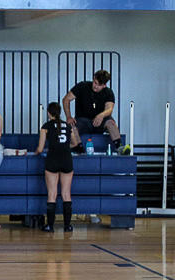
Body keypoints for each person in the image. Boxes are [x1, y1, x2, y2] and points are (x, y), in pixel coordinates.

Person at [63, 69, 126, 154]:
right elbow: (66, 99)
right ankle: (79, 149)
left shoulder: (108, 92)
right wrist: (69, 117)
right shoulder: (82, 86)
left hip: (100, 122)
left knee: (110, 122)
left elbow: (109, 109)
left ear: (104, 85)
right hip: (82, 121)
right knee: (71, 126)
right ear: (93, 78)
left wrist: (101, 115)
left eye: (99, 85)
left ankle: (119, 147)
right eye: (95, 83)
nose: (95, 86)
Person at [35, 102, 74, 233]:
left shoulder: (45, 127)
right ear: (60, 112)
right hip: (66, 159)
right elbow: (74, 142)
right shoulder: (68, 126)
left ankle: (50, 226)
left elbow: (40, 148)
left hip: (52, 160)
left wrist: (36, 152)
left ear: (48, 113)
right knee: (66, 194)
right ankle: (67, 226)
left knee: (52, 194)